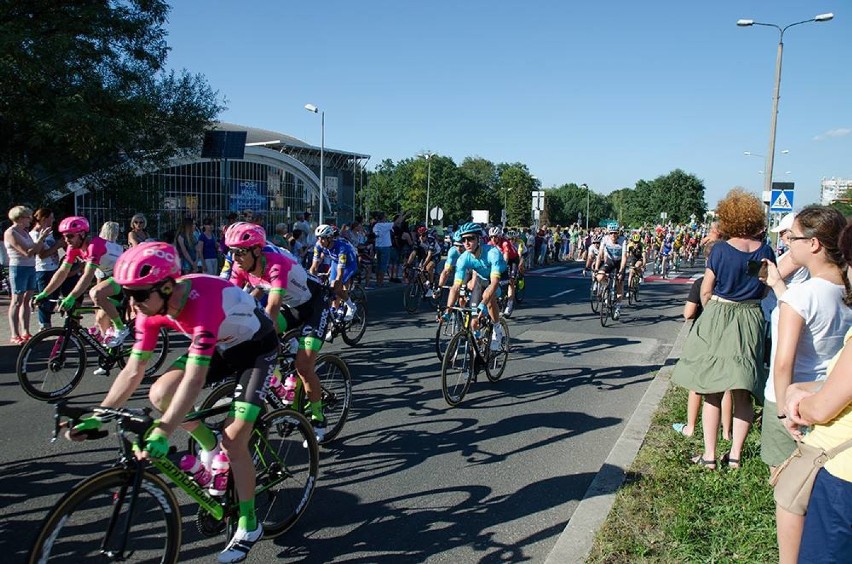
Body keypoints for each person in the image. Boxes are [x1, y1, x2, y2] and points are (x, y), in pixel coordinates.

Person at [67, 241, 272, 562]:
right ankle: (209, 443)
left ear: (165, 287)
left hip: (254, 349)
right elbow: (134, 369)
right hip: (220, 345)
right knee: (159, 392)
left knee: (236, 440)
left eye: (137, 295)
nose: (131, 304)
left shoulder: (202, 303)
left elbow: (193, 381)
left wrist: (163, 431)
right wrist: (99, 415)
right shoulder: (150, 310)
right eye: (127, 294)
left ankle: (249, 521)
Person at [761, 207, 852, 563]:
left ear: (813, 244)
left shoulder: (800, 296)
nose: (787, 244)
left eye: (793, 238)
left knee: (789, 494)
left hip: (795, 404)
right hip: (829, 394)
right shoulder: (842, 289)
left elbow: (782, 363)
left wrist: (785, 410)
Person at [671, 188, 775, 470]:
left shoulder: (720, 250)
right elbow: (766, 289)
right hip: (750, 316)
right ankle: (736, 456)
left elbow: (706, 290)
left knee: (711, 389)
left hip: (719, 314)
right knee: (743, 390)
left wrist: (716, 307)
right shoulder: (765, 252)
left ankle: (709, 456)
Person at [224, 223, 329, 441]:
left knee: (304, 366)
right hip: (292, 306)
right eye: (231, 252)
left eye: (240, 252)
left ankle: (318, 417)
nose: (235, 257)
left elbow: (272, 308)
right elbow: (228, 300)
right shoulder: (240, 266)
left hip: (314, 305)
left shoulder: (275, 263)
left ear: (256, 250)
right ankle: (281, 382)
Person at [33, 216, 129, 347]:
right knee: (101, 319)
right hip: (112, 275)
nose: (67, 240)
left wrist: (71, 297)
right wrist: (44, 293)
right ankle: (109, 358)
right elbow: (62, 272)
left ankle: (121, 328)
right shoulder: (72, 248)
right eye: (64, 236)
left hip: (128, 272)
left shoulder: (95, 246)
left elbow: (88, 275)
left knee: (96, 293)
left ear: (82, 234)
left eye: (70, 236)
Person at [671, 241, 733, 440]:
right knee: (727, 385)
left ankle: (690, 427)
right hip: (730, 336)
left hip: (704, 336)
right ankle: (727, 432)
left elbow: (688, 314)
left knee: (697, 383)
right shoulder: (733, 281)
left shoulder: (701, 283)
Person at [442, 222, 507, 351]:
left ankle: (497, 329)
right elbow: (455, 287)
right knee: (474, 321)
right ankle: (478, 346)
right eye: (463, 239)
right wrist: (448, 311)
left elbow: (494, 283)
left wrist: (483, 303)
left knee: (489, 300)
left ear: (479, 239)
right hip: (481, 280)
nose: (466, 242)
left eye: (470, 238)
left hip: (499, 278)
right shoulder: (463, 258)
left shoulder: (492, 253)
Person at [4, 205, 51, 343]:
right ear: (19, 218)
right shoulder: (11, 232)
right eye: (27, 217)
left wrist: (41, 240)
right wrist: (41, 238)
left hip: (31, 267)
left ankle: (26, 331)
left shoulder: (24, 232)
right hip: (18, 268)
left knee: (27, 300)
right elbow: (28, 252)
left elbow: (36, 251)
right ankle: (14, 334)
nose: (30, 220)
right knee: (17, 301)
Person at [309, 224, 359, 322]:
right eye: (318, 238)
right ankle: (334, 312)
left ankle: (351, 306)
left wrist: (337, 283)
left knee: (336, 285)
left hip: (349, 263)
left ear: (330, 238)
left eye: (323, 238)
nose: (320, 241)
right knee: (330, 288)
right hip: (335, 261)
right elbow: (313, 268)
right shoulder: (318, 245)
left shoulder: (341, 248)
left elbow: (340, 275)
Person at [30, 208, 65, 331]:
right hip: (43, 269)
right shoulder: (35, 234)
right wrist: (58, 245)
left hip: (54, 267)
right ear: (44, 218)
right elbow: (41, 254)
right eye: (51, 217)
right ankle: (44, 325)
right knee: (45, 297)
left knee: (54, 296)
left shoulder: (48, 233)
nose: (53, 220)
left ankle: (47, 322)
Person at [595, 225, 628, 319]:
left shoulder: (623, 240)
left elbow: (624, 257)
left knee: (619, 283)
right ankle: (606, 289)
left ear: (618, 233)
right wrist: (597, 268)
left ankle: (618, 307)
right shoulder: (605, 239)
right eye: (611, 233)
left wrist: (621, 271)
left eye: (615, 233)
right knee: (599, 277)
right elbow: (600, 254)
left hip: (619, 262)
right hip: (609, 261)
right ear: (608, 234)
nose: (613, 235)